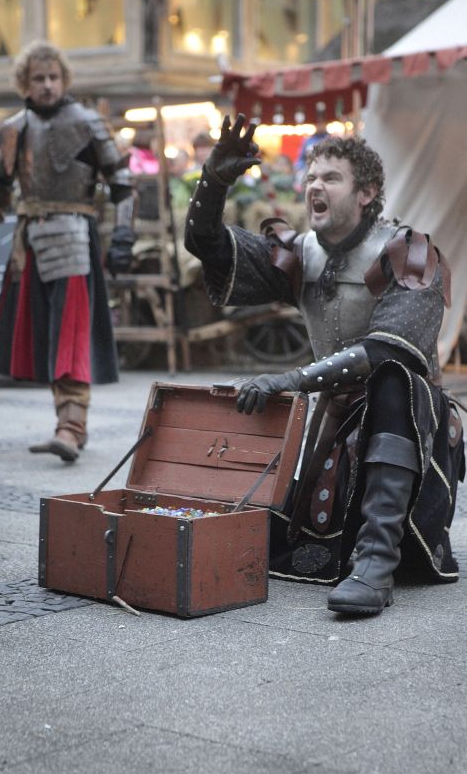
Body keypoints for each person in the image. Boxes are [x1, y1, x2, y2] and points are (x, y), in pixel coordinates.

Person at [184, 113, 464, 616]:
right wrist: (214, 183)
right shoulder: (300, 254)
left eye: (331, 177)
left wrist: (289, 379)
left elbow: (390, 350)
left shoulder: (409, 252)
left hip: (410, 435)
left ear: (366, 193)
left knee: (393, 380)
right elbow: (209, 248)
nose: (315, 185)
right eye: (311, 176)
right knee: (287, 540)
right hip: (333, 428)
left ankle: (377, 562)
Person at [0, 40, 135, 462]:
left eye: (53, 77)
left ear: (64, 79)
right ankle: (67, 424)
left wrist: (124, 236)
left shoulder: (88, 122)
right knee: (48, 335)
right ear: (24, 83)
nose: (47, 85)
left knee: (70, 335)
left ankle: (71, 427)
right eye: (39, 78)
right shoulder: (15, 128)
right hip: (28, 245)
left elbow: (122, 185)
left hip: (73, 239)